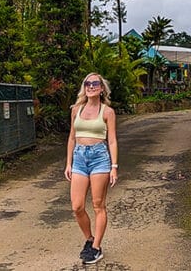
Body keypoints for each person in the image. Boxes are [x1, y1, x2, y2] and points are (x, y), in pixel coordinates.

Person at [64, 72, 118, 265]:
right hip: (79, 157)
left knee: (98, 205)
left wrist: (114, 166)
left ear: (102, 88)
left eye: (95, 83)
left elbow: (111, 140)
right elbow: (71, 137)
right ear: (84, 87)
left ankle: (96, 247)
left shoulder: (107, 112)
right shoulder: (76, 109)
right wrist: (69, 163)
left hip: (99, 159)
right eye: (88, 83)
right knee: (77, 206)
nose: (91, 86)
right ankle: (89, 239)